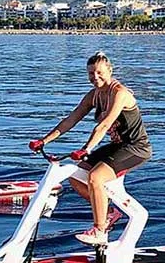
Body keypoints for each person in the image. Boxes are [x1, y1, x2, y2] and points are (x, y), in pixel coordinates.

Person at [29, 52, 152, 245]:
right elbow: (71, 119)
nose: (95, 77)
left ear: (110, 71)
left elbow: (104, 125)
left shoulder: (119, 93)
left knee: (96, 177)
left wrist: (87, 148)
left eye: (99, 72)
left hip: (136, 148)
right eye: (91, 74)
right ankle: (110, 213)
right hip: (116, 146)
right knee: (76, 176)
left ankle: (100, 230)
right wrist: (44, 141)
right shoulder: (94, 95)